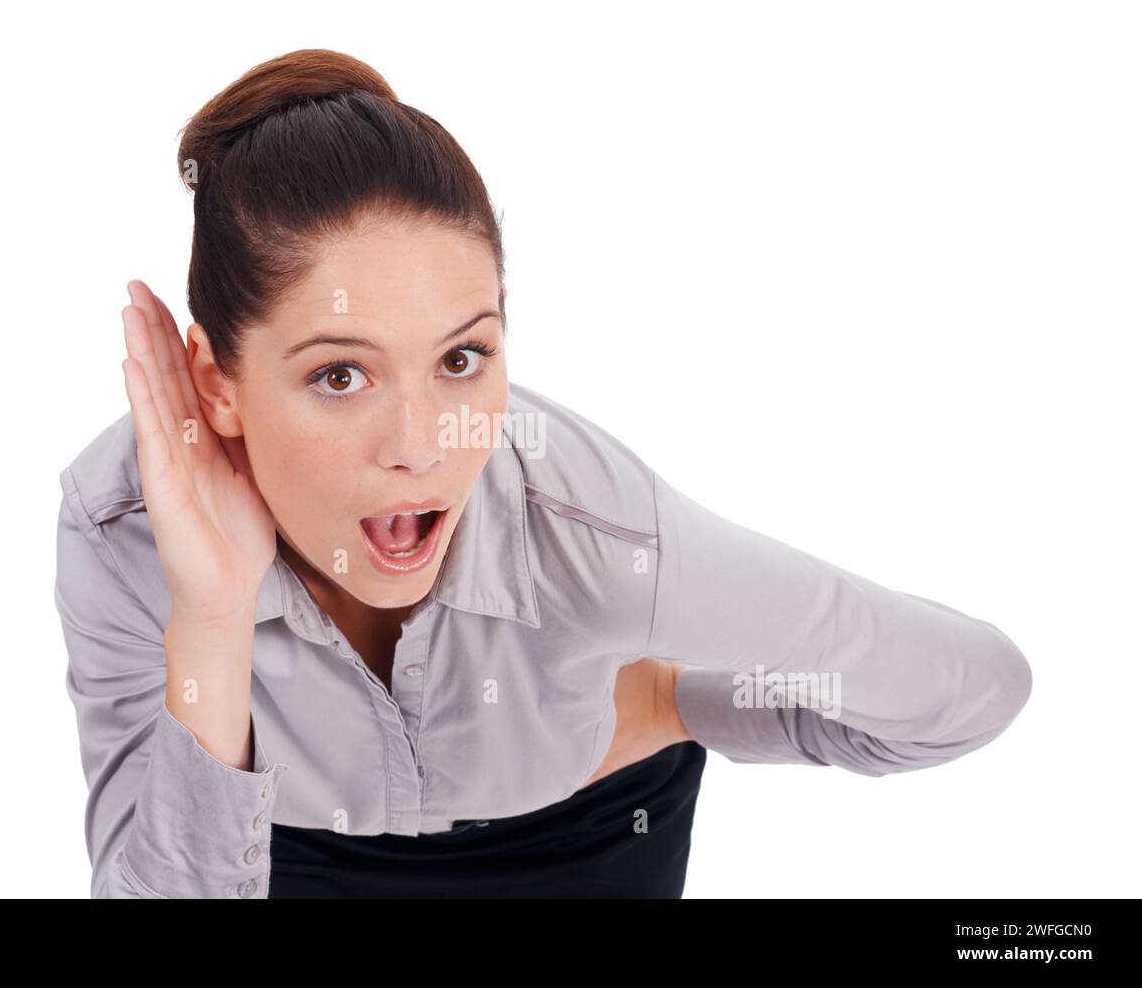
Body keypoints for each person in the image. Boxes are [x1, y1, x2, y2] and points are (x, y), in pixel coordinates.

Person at [53, 48, 1034, 899]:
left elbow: (974, 689)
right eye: (340, 373)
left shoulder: (592, 531)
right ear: (216, 384)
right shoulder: (125, 523)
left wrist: (677, 701)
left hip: (581, 835)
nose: (421, 443)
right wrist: (212, 615)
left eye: (461, 357)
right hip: (272, 849)